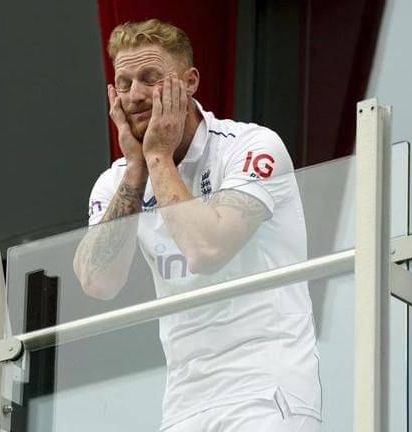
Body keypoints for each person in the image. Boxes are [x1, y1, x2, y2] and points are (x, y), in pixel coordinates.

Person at [74, 19, 321, 431]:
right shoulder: (117, 179)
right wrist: (136, 168)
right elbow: (97, 282)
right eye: (124, 83)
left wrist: (157, 157)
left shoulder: (252, 146)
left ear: (190, 82)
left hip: (267, 388)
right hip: (183, 403)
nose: (135, 95)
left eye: (150, 78)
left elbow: (207, 250)